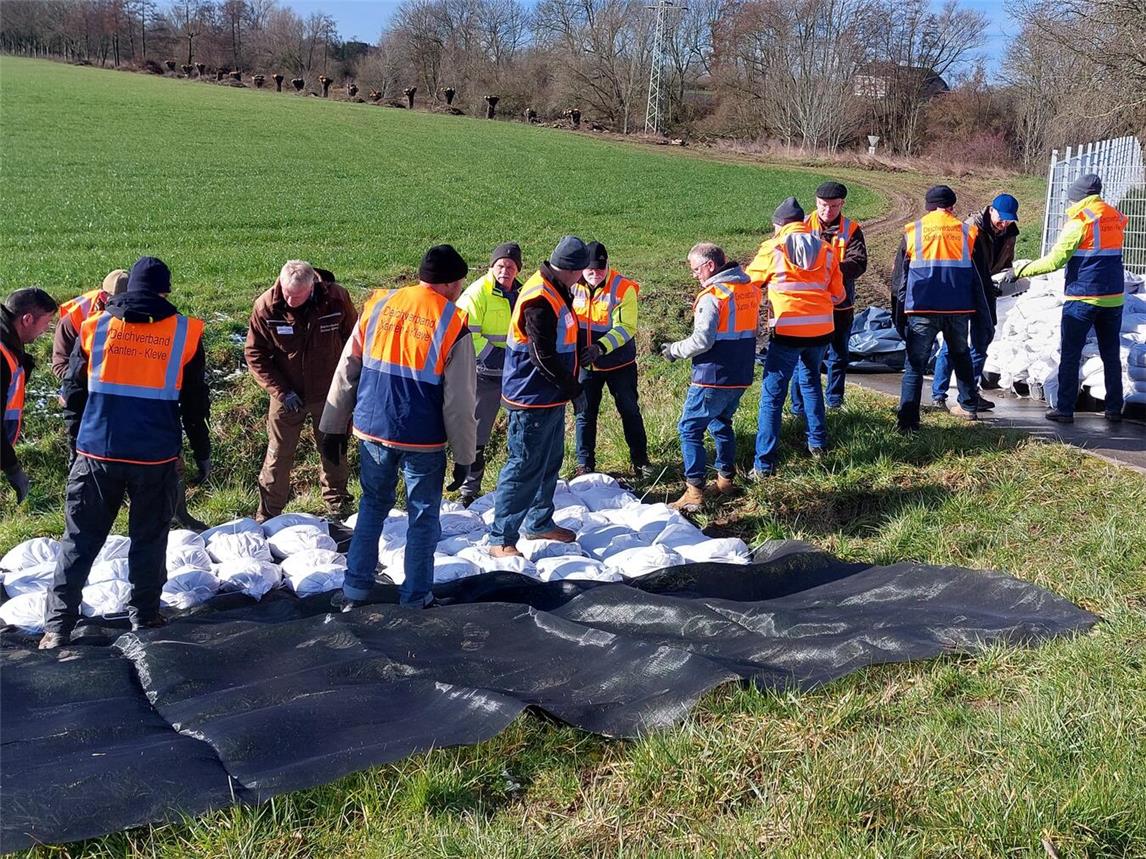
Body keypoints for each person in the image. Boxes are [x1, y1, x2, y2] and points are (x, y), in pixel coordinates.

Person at [40, 257, 211, 649]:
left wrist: (75, 446)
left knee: (79, 541)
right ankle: (145, 617)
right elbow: (195, 404)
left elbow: (72, 396)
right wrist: (201, 452)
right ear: (165, 292)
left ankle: (58, 627)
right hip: (155, 457)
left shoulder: (95, 328)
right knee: (149, 540)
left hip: (97, 453)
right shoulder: (184, 333)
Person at [320, 245, 476, 609]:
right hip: (423, 439)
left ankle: (354, 590)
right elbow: (460, 402)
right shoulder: (454, 322)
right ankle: (416, 597)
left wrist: (332, 425)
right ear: (452, 284)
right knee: (422, 516)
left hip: (373, 429)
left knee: (372, 507)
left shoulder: (378, 305)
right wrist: (465, 456)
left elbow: (348, 368)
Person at [488, 236, 589, 556]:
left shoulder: (556, 288)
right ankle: (501, 538)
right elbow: (541, 354)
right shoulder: (540, 298)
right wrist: (573, 388)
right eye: (582, 271)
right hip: (530, 396)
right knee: (523, 466)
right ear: (571, 270)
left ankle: (539, 522)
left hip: (549, 395)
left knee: (548, 462)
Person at [246, 260, 358, 522]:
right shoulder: (266, 306)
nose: (289, 299)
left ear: (312, 287)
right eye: (286, 292)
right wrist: (281, 391)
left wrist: (347, 386)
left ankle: (337, 505)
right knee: (278, 455)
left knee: (334, 450)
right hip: (286, 393)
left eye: (297, 295)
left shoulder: (336, 298)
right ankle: (268, 513)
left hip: (330, 392)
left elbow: (353, 340)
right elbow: (255, 354)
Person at [1011, 173, 1127, 423]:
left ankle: (1064, 409)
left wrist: (1020, 270)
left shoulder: (1081, 220)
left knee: (1071, 353)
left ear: (1079, 198)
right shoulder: (1115, 217)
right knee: (1111, 354)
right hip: (1114, 297)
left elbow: (1055, 260)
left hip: (1083, 296)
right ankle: (1114, 408)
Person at [747, 197, 845, 477]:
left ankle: (764, 465)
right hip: (821, 331)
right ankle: (818, 444)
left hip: (788, 331)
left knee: (772, 396)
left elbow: (749, 284)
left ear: (778, 225)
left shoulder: (772, 248)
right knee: (812, 383)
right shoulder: (826, 250)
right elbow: (839, 296)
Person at [661, 242, 761, 510]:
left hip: (712, 376)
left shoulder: (713, 296)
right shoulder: (749, 290)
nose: (694, 275)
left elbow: (702, 340)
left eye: (696, 270)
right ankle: (725, 480)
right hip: (740, 374)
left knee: (689, 428)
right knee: (720, 423)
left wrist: (674, 350)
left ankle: (694, 492)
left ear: (710, 266)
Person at [891, 185, 991, 432]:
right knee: (961, 355)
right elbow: (981, 278)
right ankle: (968, 406)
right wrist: (984, 313)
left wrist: (899, 312)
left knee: (915, 364)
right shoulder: (968, 232)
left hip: (922, 309)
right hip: (958, 308)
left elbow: (899, 280)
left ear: (928, 206)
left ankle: (908, 421)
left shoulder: (913, 232)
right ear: (951, 207)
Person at [932, 193, 1020, 409]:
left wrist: (1009, 272)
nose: (1004, 223)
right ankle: (938, 395)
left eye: (1009, 219)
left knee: (982, 342)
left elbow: (1004, 261)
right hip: (964, 290)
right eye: (1001, 218)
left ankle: (970, 395)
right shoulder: (970, 228)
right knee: (954, 343)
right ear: (991, 210)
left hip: (986, 291)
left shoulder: (1009, 233)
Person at [571, 241, 651, 478]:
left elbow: (627, 326)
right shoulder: (572, 286)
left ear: (608, 265)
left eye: (600, 268)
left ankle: (641, 461)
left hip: (620, 364)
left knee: (629, 410)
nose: (595, 274)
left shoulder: (623, 288)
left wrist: (600, 347)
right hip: (586, 364)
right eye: (590, 269)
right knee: (584, 414)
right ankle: (584, 465)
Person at [789, 181, 868, 413]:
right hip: (809, 306)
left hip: (840, 305)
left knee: (838, 356)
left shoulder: (852, 229)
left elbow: (859, 263)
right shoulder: (802, 226)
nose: (827, 211)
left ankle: (834, 401)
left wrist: (828, 270)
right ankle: (798, 407)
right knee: (804, 359)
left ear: (842, 204)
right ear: (816, 202)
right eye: (823, 205)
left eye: (833, 206)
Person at [455, 242, 522, 506]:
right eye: (501, 265)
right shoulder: (477, 293)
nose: (505, 270)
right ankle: (468, 491)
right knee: (477, 436)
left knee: (522, 431)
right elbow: (465, 333)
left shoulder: (522, 292)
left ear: (518, 270)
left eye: (511, 266)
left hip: (515, 375)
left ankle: (517, 485)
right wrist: (496, 356)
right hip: (484, 375)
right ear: (491, 267)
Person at [1, 288, 58, 504]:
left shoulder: (9, 347)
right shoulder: (2, 354)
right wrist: (12, 468)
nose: (45, 331)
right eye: (46, 323)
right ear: (27, 319)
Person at [52, 269, 129, 381]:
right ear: (103, 297)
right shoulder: (75, 318)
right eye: (118, 301)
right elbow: (60, 366)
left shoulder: (142, 311)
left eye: (129, 300)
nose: (123, 307)